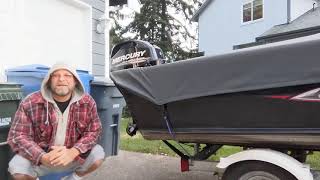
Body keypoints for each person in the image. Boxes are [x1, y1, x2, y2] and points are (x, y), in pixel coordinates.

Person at [7, 63, 105, 180]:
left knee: (98, 154)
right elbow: (18, 136)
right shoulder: (30, 102)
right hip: (41, 160)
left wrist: (73, 151)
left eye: (67, 75)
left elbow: (94, 131)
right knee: (17, 167)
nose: (61, 79)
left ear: (75, 82)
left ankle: (73, 178)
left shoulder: (87, 102)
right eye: (56, 75)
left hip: (74, 157)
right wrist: (42, 156)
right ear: (49, 81)